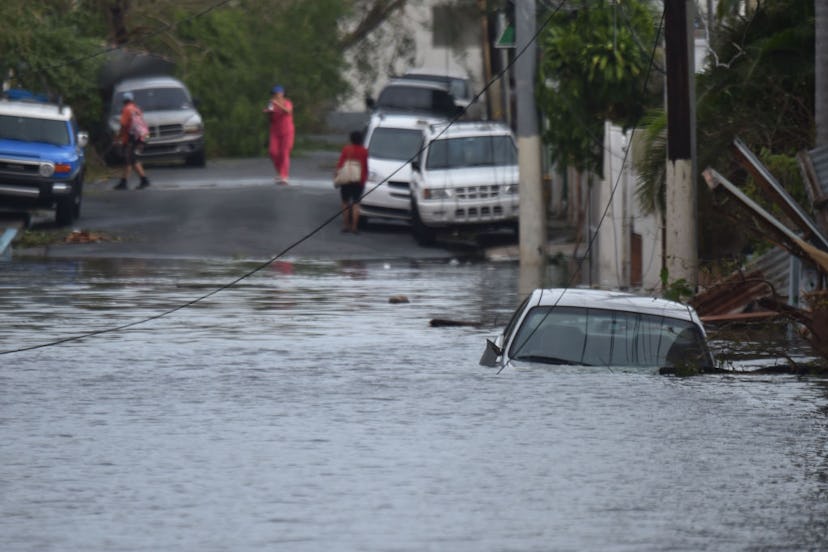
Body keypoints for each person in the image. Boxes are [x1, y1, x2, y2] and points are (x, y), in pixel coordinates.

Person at [114, 92, 150, 190]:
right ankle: (140, 180)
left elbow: (123, 125)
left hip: (132, 138)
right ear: (132, 100)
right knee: (131, 160)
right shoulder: (136, 109)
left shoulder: (126, 109)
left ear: (124, 101)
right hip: (142, 137)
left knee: (129, 160)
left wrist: (118, 137)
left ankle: (127, 182)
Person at [335, 130, 369, 233]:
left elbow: (341, 164)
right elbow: (365, 166)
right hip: (359, 179)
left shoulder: (346, 149)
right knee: (356, 204)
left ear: (351, 139)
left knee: (345, 202)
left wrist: (336, 175)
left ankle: (346, 225)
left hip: (346, 178)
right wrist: (364, 178)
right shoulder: (364, 151)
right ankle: (354, 227)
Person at [264, 84, 295, 185]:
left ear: (282, 94)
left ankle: (284, 176)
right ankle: (280, 172)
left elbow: (288, 111)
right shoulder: (271, 103)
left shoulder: (287, 102)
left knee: (284, 152)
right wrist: (268, 112)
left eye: (277, 94)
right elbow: (270, 115)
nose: (275, 96)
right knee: (272, 152)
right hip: (275, 131)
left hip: (287, 131)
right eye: (273, 94)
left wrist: (278, 104)